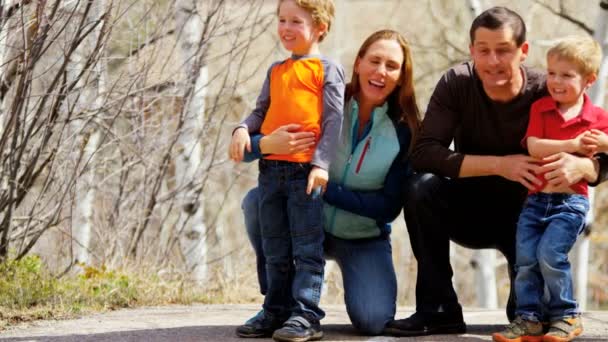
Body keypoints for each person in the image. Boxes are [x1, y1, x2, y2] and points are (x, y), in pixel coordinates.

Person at [385, 6, 608, 337]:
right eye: (483, 50)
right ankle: (438, 309)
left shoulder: (550, 87)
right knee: (420, 187)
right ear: (471, 50)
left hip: (531, 214)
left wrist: (586, 166)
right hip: (469, 208)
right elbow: (424, 153)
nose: (492, 61)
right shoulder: (457, 83)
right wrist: (501, 164)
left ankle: (533, 307)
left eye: (503, 50)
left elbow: (600, 146)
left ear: (523, 51)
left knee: (529, 319)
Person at [234, 29, 421, 339]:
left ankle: (301, 298)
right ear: (358, 63)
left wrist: (325, 189)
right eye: (374, 61)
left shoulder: (405, 130)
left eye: (392, 66)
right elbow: (253, 146)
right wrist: (259, 140)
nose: (380, 72)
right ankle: (280, 303)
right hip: (303, 223)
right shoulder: (324, 98)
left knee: (372, 320)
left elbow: (387, 208)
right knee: (256, 202)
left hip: (361, 238)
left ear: (401, 77)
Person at [228, 0, 344, 341]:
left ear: (320, 27)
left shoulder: (327, 69)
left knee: (306, 248)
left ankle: (305, 315)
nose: (286, 28)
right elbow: (259, 111)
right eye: (282, 20)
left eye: (296, 21)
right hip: (269, 172)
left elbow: (333, 121)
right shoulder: (276, 70)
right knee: (274, 246)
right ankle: (274, 309)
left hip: (304, 174)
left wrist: (321, 165)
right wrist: (241, 129)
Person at [493, 36, 608, 342]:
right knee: (526, 258)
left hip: (570, 202)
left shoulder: (595, 117)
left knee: (550, 254)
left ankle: (566, 315)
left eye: (567, 75)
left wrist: (603, 143)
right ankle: (528, 318)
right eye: (552, 73)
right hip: (535, 200)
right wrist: (573, 144)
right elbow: (534, 146)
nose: (555, 81)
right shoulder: (542, 108)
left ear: (589, 80)